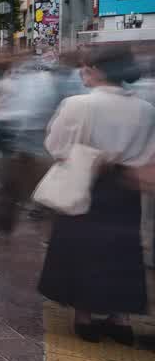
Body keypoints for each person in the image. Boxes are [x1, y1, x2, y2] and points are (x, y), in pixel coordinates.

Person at [40, 46, 155, 344]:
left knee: (84, 248)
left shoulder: (79, 105)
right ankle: (121, 319)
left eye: (86, 68)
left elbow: (56, 145)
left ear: (99, 71)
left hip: (87, 180)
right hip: (127, 188)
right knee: (123, 249)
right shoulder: (146, 109)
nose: (82, 73)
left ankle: (85, 317)